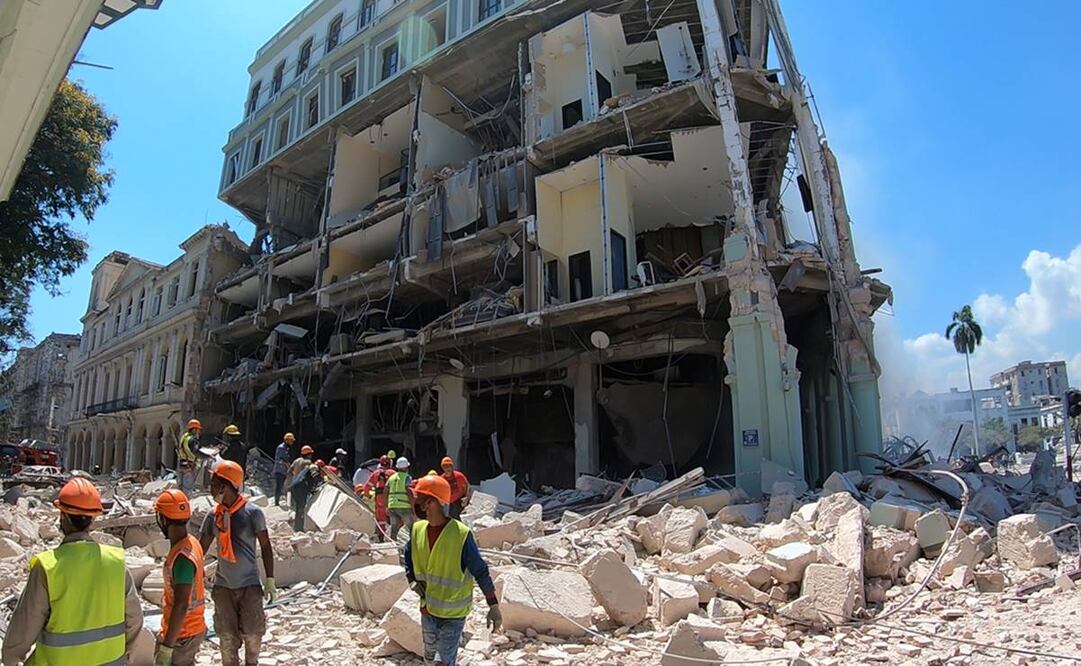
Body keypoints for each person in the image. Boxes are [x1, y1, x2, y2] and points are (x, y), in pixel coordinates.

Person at [2, 478, 144, 665]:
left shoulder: (48, 567)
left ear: (63, 516)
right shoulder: (116, 562)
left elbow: (23, 629)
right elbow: (135, 619)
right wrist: (125, 654)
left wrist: (11, 658)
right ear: (93, 519)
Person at [403, 474, 500, 666]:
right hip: (428, 610)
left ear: (432, 502)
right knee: (430, 658)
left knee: (443, 662)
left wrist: (493, 605)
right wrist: (412, 580)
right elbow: (407, 557)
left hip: (453, 614)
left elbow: (480, 570)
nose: (418, 505)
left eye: (421, 500)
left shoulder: (461, 534)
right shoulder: (417, 530)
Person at [199, 461, 276, 666]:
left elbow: (266, 546)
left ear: (226, 486)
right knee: (226, 639)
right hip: (223, 587)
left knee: (253, 635)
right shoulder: (213, 516)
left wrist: (269, 579)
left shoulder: (252, 513)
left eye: (214, 483)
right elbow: (201, 549)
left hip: (249, 585)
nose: (211, 488)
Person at [153, 489, 206, 666]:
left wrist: (167, 647)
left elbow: (182, 604)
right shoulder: (191, 542)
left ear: (163, 519)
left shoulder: (183, 558)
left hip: (183, 634)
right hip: (190, 629)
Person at [362, 455, 394, 541]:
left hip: (379, 498)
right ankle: (392, 536)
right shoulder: (393, 473)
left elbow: (366, 488)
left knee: (380, 518)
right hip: (390, 498)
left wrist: (367, 496)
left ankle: (381, 537)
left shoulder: (376, 473)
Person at [288, 445, 318, 532]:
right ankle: (299, 528)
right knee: (302, 507)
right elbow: (311, 474)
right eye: (311, 454)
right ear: (308, 454)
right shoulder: (308, 462)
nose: (311, 456)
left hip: (295, 484)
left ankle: (297, 526)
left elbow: (289, 471)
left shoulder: (296, 461)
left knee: (297, 507)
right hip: (302, 485)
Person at [386, 456, 414, 540]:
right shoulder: (407, 477)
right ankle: (413, 548)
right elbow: (409, 491)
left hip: (392, 506)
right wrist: (413, 507)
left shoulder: (391, 478)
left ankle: (393, 548)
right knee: (412, 528)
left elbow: (385, 491)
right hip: (404, 506)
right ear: (407, 467)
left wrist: (386, 505)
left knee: (394, 529)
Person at [177, 418, 201, 495]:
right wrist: (208, 456)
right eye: (198, 429)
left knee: (181, 487)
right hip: (189, 465)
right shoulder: (192, 439)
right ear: (194, 429)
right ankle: (186, 504)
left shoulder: (184, 437)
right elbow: (196, 452)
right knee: (188, 488)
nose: (199, 432)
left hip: (182, 464)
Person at [273, 433, 294, 506]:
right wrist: (287, 464)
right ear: (287, 440)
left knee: (282, 486)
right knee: (279, 486)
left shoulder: (286, 448)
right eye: (291, 441)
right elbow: (279, 459)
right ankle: (276, 502)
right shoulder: (281, 448)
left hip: (284, 470)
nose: (292, 443)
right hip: (279, 470)